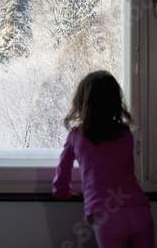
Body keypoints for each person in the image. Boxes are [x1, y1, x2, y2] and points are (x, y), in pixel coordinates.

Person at [52, 70, 154, 248]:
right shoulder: (125, 134)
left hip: (106, 216)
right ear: (115, 102)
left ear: (82, 102)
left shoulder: (77, 136)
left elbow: (62, 173)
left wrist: (62, 193)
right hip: (139, 209)